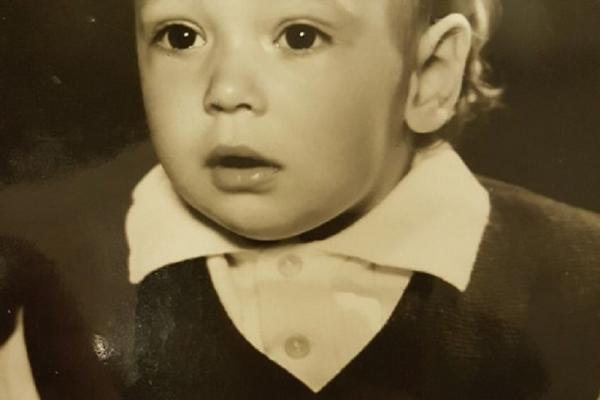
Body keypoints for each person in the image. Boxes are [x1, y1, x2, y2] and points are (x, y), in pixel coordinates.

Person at [1, 0, 599, 399]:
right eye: (181, 36)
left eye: (299, 36)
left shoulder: (580, 283)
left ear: (429, 75)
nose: (226, 90)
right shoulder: (56, 279)